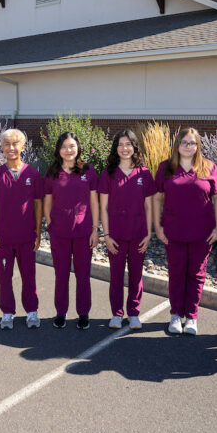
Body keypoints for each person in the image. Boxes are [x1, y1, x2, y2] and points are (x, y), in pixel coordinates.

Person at [154, 128, 217, 335]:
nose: (188, 146)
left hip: (201, 233)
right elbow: (156, 197)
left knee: (196, 275)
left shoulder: (209, 167)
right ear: (177, 145)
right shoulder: (165, 168)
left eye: (192, 143)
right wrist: (157, 227)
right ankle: (176, 314)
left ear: (198, 146)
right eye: (184, 142)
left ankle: (192, 316)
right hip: (173, 232)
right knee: (176, 274)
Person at [98, 129, 155, 330]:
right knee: (115, 276)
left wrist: (148, 233)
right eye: (121, 144)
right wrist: (106, 235)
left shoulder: (144, 173)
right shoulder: (108, 174)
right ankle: (116, 314)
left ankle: (133, 313)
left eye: (128, 144)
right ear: (116, 148)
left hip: (138, 235)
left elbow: (149, 206)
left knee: (136, 275)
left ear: (134, 147)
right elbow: (103, 207)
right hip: (115, 236)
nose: (125, 148)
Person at [0, 129, 44, 330]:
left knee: (29, 275)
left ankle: (32, 311)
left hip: (27, 237)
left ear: (23, 147)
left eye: (15, 144)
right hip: (4, 238)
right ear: (2, 147)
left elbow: (38, 205)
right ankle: (7, 313)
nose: (11, 148)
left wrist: (38, 232)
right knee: (5, 276)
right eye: (7, 144)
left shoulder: (33, 174)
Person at [44, 132, 99, 329]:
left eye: (72, 146)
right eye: (65, 146)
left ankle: (83, 313)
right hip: (59, 232)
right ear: (59, 150)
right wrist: (50, 224)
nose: (69, 150)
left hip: (84, 232)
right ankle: (61, 312)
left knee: (83, 275)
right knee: (61, 274)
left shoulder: (88, 171)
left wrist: (95, 229)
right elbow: (47, 201)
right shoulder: (52, 173)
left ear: (78, 148)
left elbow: (94, 201)